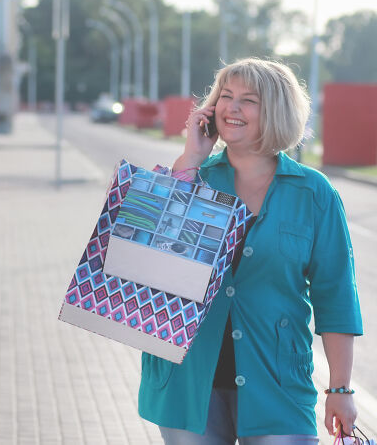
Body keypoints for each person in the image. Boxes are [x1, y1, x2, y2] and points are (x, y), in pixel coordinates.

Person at [137, 58, 363, 444]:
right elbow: (148, 263)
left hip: (277, 384)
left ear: (276, 111)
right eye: (225, 96)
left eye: (248, 100)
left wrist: (340, 389)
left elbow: (336, 295)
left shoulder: (314, 193)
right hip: (187, 383)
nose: (232, 108)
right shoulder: (194, 177)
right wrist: (190, 159)